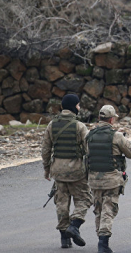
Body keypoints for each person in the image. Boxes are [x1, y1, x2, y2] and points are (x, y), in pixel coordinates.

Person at [41, 93, 93, 248]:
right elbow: (89, 149)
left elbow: (46, 149)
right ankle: (74, 225)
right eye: (78, 105)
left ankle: (64, 238)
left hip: (58, 171)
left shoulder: (52, 125)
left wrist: (47, 169)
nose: (79, 108)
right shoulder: (79, 126)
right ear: (73, 106)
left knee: (62, 204)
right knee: (84, 199)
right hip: (76, 171)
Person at [85, 105, 131, 253]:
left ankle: (100, 239)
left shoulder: (90, 135)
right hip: (112, 179)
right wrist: (124, 138)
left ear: (100, 118)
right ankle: (103, 243)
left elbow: (86, 155)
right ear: (112, 119)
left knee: (98, 210)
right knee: (108, 210)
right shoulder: (117, 136)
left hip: (94, 179)